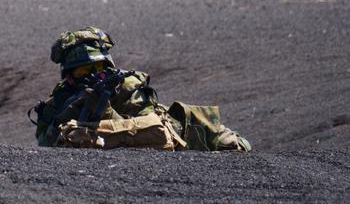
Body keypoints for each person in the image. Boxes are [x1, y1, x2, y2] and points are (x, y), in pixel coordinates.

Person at [30, 26, 250, 151]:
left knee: (235, 146)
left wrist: (106, 111)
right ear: (68, 77)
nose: (94, 74)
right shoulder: (60, 97)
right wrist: (71, 111)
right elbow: (45, 145)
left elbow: (155, 133)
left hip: (187, 137)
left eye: (99, 67)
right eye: (83, 71)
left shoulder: (126, 86)